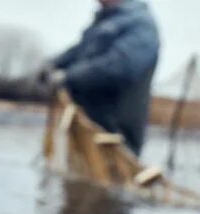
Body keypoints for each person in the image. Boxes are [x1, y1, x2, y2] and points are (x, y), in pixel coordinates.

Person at [42, 0, 161, 157]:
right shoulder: (102, 23)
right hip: (85, 127)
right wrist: (53, 64)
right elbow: (79, 51)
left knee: (113, 178)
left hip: (115, 134)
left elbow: (119, 66)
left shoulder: (141, 24)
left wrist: (68, 76)